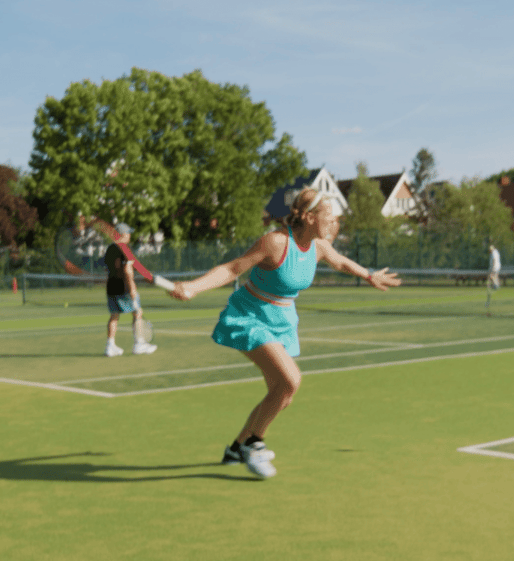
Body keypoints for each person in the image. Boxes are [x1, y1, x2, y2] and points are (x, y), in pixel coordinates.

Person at [168, 188, 401, 479]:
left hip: (283, 321)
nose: (335, 221)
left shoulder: (318, 247)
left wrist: (369, 275)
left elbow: (340, 261)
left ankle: (236, 447)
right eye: (329, 214)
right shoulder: (276, 242)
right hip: (250, 317)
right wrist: (193, 287)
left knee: (281, 394)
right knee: (291, 380)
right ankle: (254, 444)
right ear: (311, 217)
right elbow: (232, 268)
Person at [104, 223, 156, 357]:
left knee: (114, 316)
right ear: (123, 234)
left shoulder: (109, 249)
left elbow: (108, 270)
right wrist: (132, 288)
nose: (130, 235)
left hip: (111, 287)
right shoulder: (125, 249)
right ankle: (139, 343)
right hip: (125, 288)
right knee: (137, 313)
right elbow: (128, 271)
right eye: (128, 233)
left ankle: (110, 346)